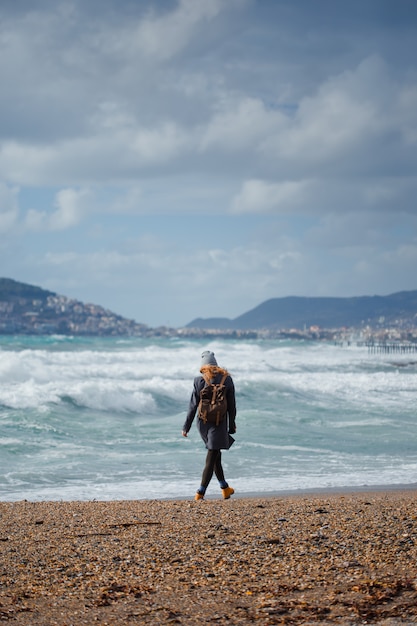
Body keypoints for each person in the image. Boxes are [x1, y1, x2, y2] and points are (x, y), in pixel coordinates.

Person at [182, 350, 236, 501]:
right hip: (219, 423)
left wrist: (186, 427)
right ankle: (200, 492)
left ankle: (225, 488)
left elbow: (193, 406)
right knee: (213, 455)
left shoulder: (198, 381)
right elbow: (232, 406)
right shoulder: (227, 380)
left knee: (214, 454)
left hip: (203, 423)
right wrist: (232, 425)